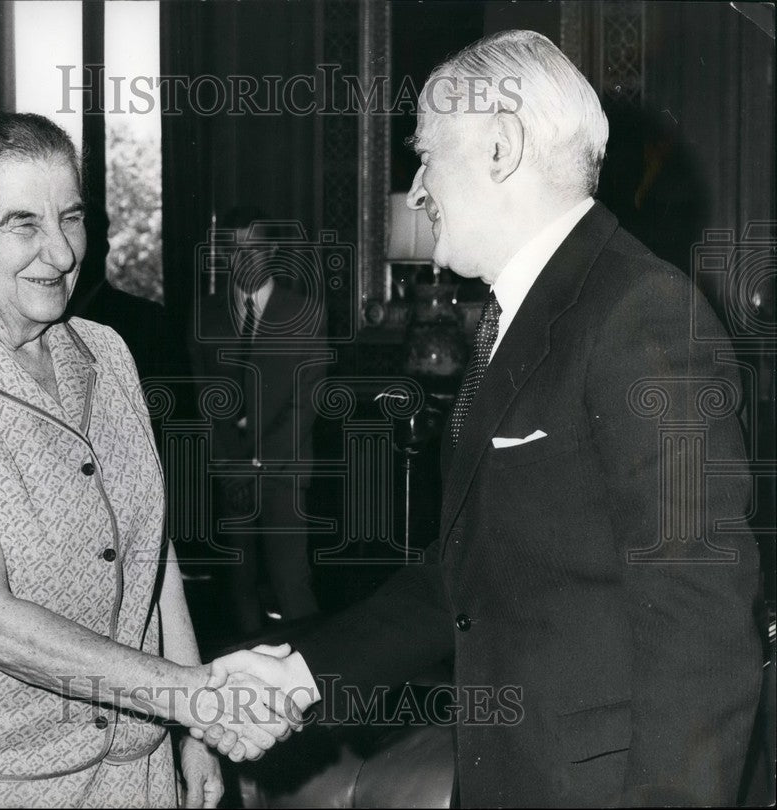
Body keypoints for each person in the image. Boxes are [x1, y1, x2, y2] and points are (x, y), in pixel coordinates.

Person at [204, 30, 763, 806]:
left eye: (427, 154)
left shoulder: (642, 312)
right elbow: (463, 580)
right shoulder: (522, 315)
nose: (420, 188)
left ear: (500, 148)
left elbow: (701, 623)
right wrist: (298, 673)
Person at [0, 112, 299, 808]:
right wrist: (194, 697)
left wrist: (192, 731)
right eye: (23, 223)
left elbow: (153, 557)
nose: (60, 252)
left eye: (72, 216)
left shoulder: (107, 353)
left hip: (128, 769)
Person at [189, 210, 326, 636]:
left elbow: (306, 404)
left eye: (251, 247)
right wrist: (231, 467)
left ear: (271, 251)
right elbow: (205, 401)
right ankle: (250, 689)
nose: (241, 257)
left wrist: (258, 465)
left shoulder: (305, 313)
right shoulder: (206, 315)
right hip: (231, 476)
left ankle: (313, 685)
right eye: (232, 249)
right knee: (239, 585)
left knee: (292, 585)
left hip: (283, 472)